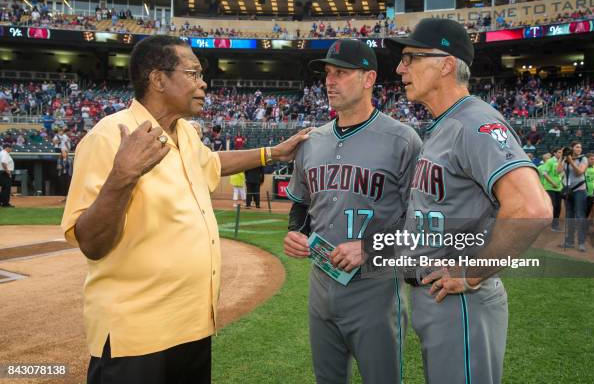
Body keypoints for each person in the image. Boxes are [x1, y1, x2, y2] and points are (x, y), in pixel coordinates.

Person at [60, 35, 310, 384]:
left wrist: (272, 153)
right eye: (192, 73)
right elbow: (91, 242)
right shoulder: (109, 138)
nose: (203, 83)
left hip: (191, 328)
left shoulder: (186, 134)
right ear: (158, 79)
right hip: (137, 336)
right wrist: (122, 176)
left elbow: (211, 162)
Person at [386, 18, 551, 384]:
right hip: (437, 298)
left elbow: (532, 207)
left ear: (446, 64)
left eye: (410, 57)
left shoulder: (475, 122)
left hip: (459, 301)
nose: (400, 68)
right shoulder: (445, 124)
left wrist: (472, 272)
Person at [283, 39, 422, 384]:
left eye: (341, 73)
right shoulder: (310, 141)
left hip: (377, 287)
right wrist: (296, 233)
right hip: (320, 284)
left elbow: (422, 219)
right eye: (328, 73)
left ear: (368, 78)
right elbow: (301, 203)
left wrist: (372, 247)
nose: (330, 81)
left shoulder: (403, 140)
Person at [557, 141, 588, 251]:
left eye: (580, 147)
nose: (579, 149)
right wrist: (562, 158)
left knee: (579, 216)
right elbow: (558, 171)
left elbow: (579, 172)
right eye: (577, 147)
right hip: (568, 191)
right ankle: (569, 241)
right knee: (569, 216)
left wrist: (571, 161)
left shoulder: (583, 159)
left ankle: (581, 243)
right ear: (572, 148)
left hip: (580, 190)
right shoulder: (566, 159)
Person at [540, 148, 564, 231]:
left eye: (561, 152)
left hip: (558, 188)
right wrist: (552, 183)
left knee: (558, 207)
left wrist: (560, 180)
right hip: (550, 188)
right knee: (552, 206)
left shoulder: (561, 161)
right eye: (559, 152)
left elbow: (561, 173)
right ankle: (550, 224)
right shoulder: (550, 161)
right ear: (554, 153)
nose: (561, 154)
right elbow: (544, 173)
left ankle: (555, 225)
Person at [0, 143, 15, 207]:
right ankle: (5, 203)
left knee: (4, 188)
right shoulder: (5, 153)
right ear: (7, 148)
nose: (11, 149)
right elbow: (3, 163)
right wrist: (7, 171)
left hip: (2, 172)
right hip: (4, 173)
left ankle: (2, 202)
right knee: (6, 188)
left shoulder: (2, 153)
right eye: (10, 147)